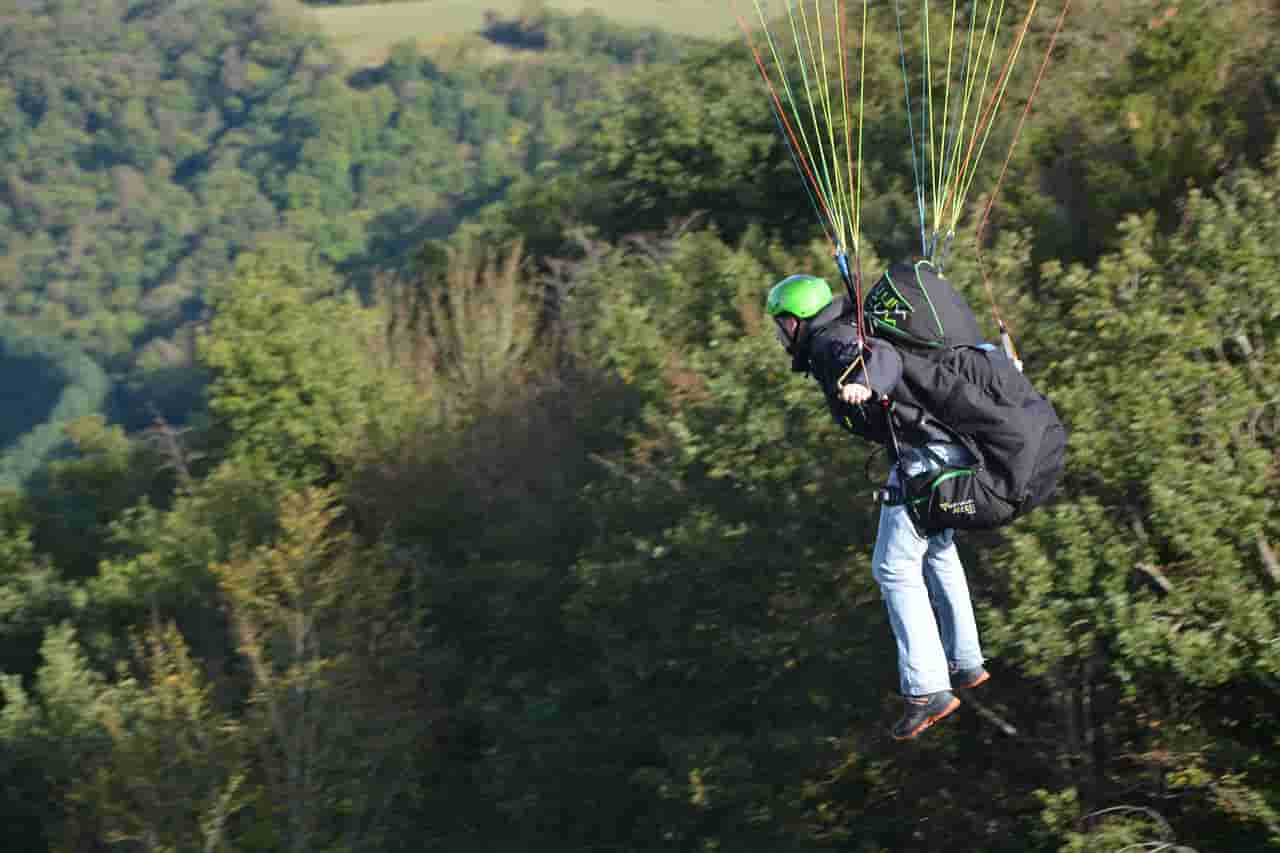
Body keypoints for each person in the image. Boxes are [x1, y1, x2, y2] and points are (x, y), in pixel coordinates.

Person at [765, 271, 990, 740]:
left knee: (893, 567)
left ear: (795, 321)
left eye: (780, 324)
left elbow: (882, 358)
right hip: (941, 446)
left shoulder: (832, 342)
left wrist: (864, 383)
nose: (779, 334)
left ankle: (928, 689)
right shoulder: (847, 327)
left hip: (925, 456)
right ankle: (966, 661)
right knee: (937, 550)